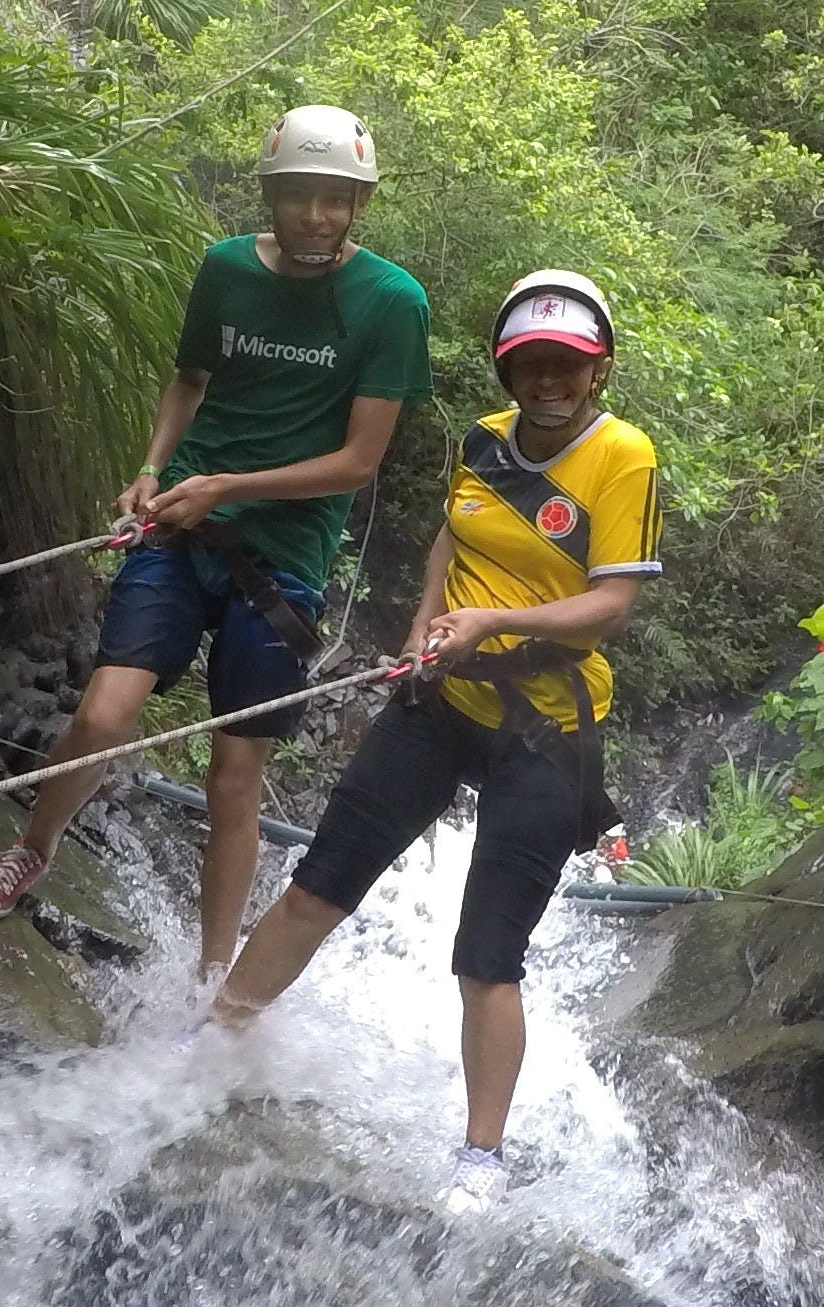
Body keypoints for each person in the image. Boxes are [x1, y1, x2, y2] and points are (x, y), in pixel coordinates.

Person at [206, 270, 661, 1212]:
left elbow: (612, 603)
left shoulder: (624, 457)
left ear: (598, 371)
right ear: (507, 367)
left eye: (566, 366)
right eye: (530, 364)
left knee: (487, 954)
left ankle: (480, 1157)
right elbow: (450, 542)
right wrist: (422, 631)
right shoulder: (483, 443)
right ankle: (214, 1038)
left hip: (549, 727)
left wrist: (489, 622)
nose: (547, 381)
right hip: (440, 697)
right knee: (321, 881)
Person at [0, 105, 435, 982]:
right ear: (272, 194)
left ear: (360, 205)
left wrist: (226, 488)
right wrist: (155, 468)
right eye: (300, 196)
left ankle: (213, 977)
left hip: (285, 552)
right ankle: (33, 847)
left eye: (337, 199)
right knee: (104, 712)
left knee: (233, 774)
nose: (317, 216)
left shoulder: (392, 302)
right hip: (181, 522)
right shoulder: (224, 270)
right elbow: (189, 378)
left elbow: (357, 462)